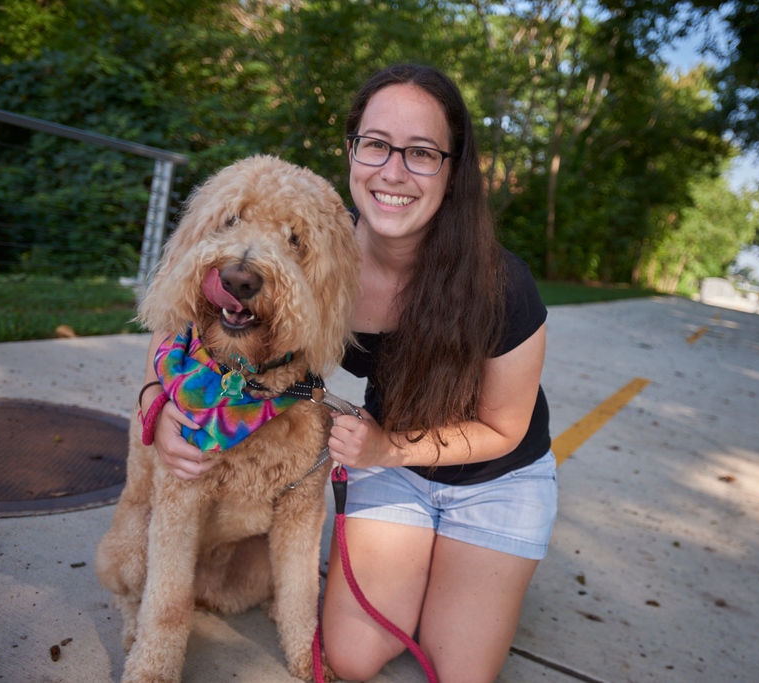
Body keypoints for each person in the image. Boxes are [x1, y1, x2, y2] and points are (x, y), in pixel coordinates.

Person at [141, 63, 556, 683]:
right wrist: (160, 404)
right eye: (377, 144)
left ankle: (466, 574)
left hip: (495, 477)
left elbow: (505, 427)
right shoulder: (319, 249)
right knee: (356, 660)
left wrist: (386, 446)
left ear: (452, 166)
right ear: (353, 149)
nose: (393, 171)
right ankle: (425, 575)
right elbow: (193, 314)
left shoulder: (501, 283)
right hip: (396, 472)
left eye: (421, 152)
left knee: (462, 670)